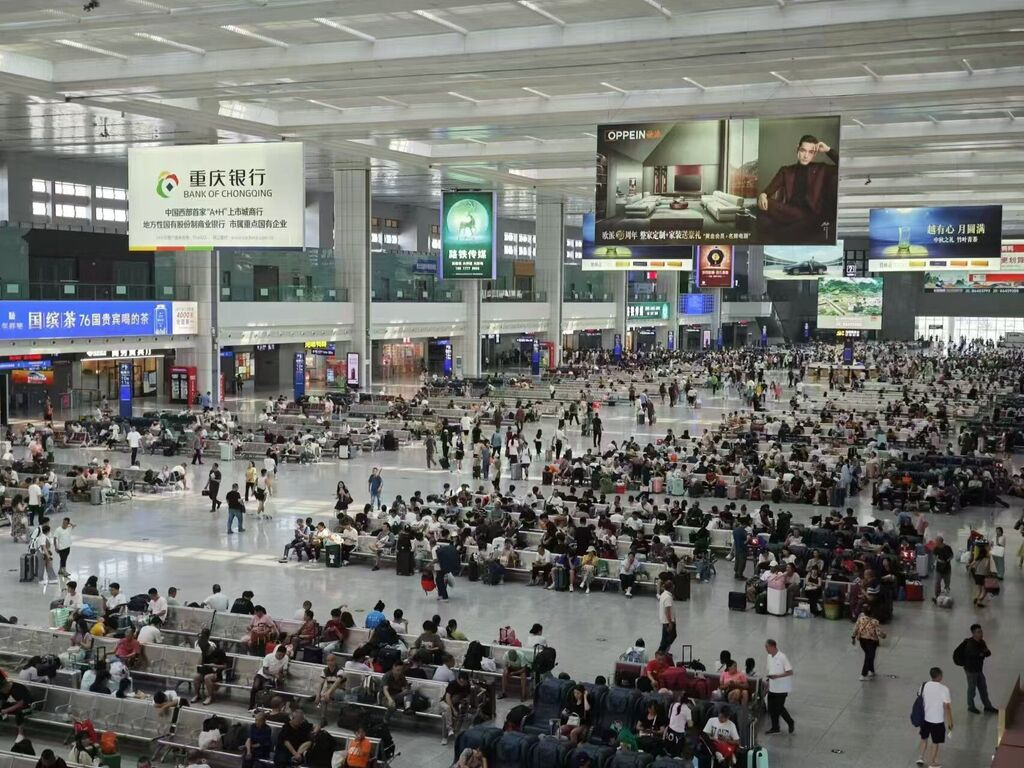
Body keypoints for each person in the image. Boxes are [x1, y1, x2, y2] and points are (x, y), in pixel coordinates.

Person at [757, 134, 839, 241]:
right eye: (803, 150)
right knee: (765, 203)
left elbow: (843, 166)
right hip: (790, 211)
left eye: (810, 152)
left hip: (812, 214)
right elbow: (767, 192)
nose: (806, 156)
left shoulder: (821, 169)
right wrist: (763, 195)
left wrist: (828, 150)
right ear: (797, 149)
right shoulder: (785, 171)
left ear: (814, 155)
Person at [954, 624, 998, 714]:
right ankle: (971, 706)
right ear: (973, 634)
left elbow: (988, 653)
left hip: (978, 670)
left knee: (983, 688)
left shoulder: (981, 642)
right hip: (971, 671)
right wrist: (982, 653)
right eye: (978, 632)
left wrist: (982, 653)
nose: (981, 633)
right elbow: (978, 655)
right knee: (972, 689)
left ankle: (988, 706)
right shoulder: (970, 644)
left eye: (981, 631)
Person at [917, 667, 953, 768]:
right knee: (935, 742)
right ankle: (932, 762)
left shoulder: (924, 685)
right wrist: (950, 722)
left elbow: (920, 697)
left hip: (925, 719)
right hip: (937, 721)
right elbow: (947, 707)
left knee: (924, 738)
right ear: (940, 676)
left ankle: (920, 757)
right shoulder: (944, 689)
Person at [764, 639, 794, 734]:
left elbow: (790, 672)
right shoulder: (769, 657)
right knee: (771, 708)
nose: (766, 649)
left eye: (767, 647)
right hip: (772, 687)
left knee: (780, 708)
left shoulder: (782, 657)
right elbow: (770, 670)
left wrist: (777, 676)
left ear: (773, 646)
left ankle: (790, 721)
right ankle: (775, 727)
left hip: (782, 688)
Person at [249, 645, 290, 710]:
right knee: (255, 688)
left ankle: (264, 706)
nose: (280, 657)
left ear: (284, 655)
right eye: (279, 655)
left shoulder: (286, 658)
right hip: (261, 675)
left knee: (267, 688)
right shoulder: (269, 657)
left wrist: (283, 675)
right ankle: (251, 707)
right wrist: (274, 674)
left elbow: (285, 669)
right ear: (276, 652)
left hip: (271, 678)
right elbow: (265, 670)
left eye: (282, 656)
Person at [851, 606, 885, 681]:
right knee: (869, 656)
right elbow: (879, 632)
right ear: (872, 613)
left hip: (862, 641)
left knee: (870, 655)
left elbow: (856, 628)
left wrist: (853, 637)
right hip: (872, 642)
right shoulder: (875, 621)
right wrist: (884, 635)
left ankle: (871, 670)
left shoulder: (860, 619)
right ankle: (863, 674)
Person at [657, 574, 676, 653]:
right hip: (668, 621)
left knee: (666, 637)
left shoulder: (663, 594)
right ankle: (662, 652)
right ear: (671, 588)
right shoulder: (668, 597)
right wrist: (670, 623)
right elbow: (667, 611)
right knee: (668, 638)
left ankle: (664, 651)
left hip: (664, 621)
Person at [931, 536, 953, 601]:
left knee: (947, 583)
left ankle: (946, 598)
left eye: (936, 541)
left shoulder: (947, 548)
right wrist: (938, 560)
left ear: (940, 542)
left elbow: (952, 555)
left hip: (947, 569)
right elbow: (934, 555)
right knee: (937, 582)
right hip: (939, 569)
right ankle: (937, 596)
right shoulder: (936, 548)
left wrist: (948, 560)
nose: (935, 542)